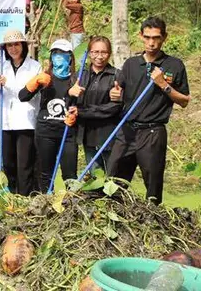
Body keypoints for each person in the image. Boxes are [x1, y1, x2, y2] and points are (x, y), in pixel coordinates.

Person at [107, 17, 190, 204]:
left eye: (156, 37)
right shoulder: (131, 64)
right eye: (147, 37)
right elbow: (118, 92)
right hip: (127, 130)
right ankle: (114, 217)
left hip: (153, 133)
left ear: (164, 38)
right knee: (113, 180)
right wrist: (115, 94)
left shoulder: (174, 65)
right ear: (141, 37)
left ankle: (153, 220)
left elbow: (184, 101)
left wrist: (164, 85)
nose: (151, 43)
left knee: (153, 185)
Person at [18, 39, 78, 193]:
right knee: (45, 173)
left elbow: (84, 105)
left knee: (70, 174)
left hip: (68, 132)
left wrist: (77, 111)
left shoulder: (77, 79)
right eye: (56, 53)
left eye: (63, 54)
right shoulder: (45, 78)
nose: (59, 57)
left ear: (70, 57)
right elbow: (22, 97)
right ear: (51, 57)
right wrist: (34, 83)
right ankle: (45, 201)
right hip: (46, 131)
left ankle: (72, 203)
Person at [0, 30, 42, 196]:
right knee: (8, 162)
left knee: (25, 163)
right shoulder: (2, 66)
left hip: (25, 121)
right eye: (9, 45)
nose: (13, 48)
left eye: (16, 44)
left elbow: (26, 95)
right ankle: (11, 194)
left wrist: (7, 83)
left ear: (23, 46)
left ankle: (25, 195)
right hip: (5, 120)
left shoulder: (34, 67)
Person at [70, 36, 122, 172]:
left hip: (109, 134)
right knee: (95, 176)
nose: (99, 56)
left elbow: (114, 107)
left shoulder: (117, 75)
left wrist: (83, 112)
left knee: (112, 176)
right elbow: (70, 103)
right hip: (88, 134)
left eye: (103, 52)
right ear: (89, 53)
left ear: (109, 54)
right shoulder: (80, 76)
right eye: (95, 52)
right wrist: (71, 92)